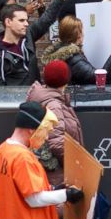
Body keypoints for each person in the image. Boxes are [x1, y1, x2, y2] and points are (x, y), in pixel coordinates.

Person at [0, 101, 83, 219]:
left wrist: (53, 189)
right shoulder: (23, 157)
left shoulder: (3, 150)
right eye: (45, 132)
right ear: (32, 130)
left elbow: (19, 189)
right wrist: (67, 195)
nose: (46, 138)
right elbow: (34, 199)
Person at [0, 0, 74, 86]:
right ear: (8, 22)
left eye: (26, 20)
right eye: (21, 20)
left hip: (35, 98)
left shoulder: (28, 36)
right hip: (15, 102)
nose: (26, 23)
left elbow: (48, 17)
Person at [26, 60, 83, 188]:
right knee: (58, 206)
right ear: (65, 81)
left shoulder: (43, 96)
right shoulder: (54, 105)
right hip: (56, 174)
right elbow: (56, 142)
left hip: (49, 169)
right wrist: (77, 163)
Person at [39, 15, 111, 85]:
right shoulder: (73, 58)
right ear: (77, 35)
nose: (84, 33)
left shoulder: (60, 51)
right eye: (82, 30)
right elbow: (99, 79)